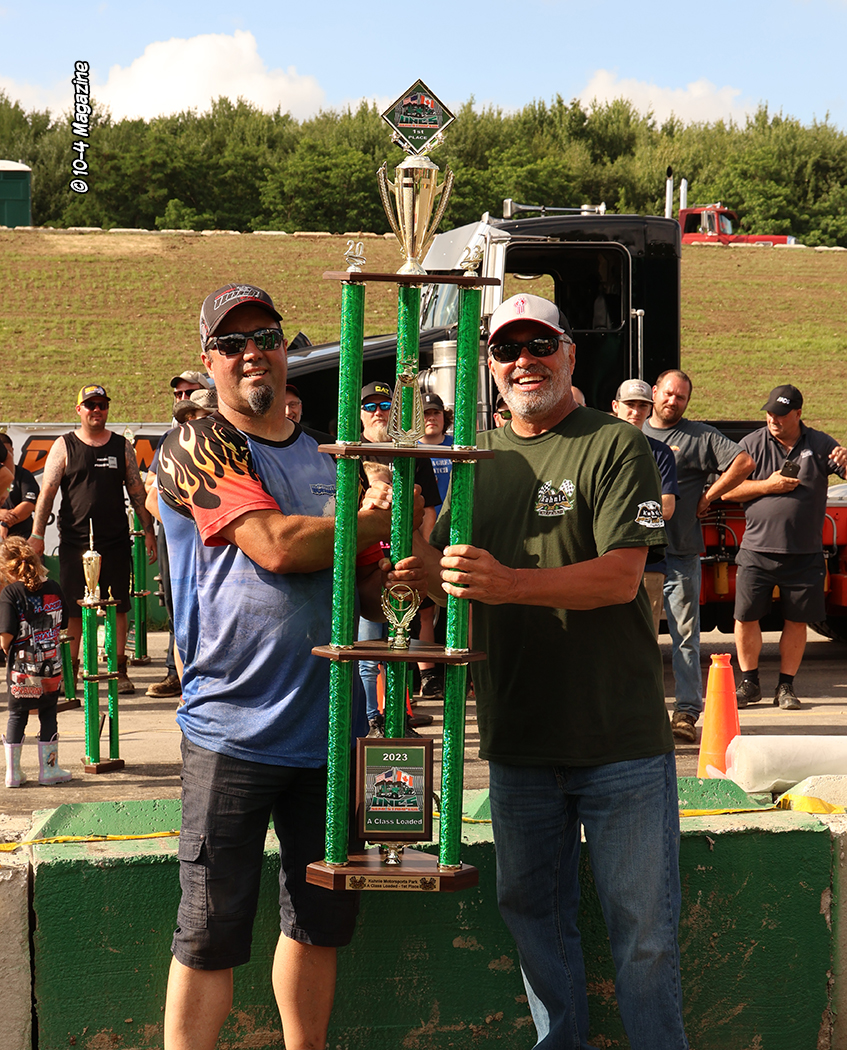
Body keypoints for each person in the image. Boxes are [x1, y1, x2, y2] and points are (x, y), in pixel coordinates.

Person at [157, 282, 423, 1050]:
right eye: (232, 343)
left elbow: (365, 588)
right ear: (208, 359)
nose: (251, 354)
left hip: (331, 729)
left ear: (285, 351)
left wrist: (404, 574)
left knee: (318, 923)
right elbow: (273, 545)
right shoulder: (196, 446)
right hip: (231, 729)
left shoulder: (329, 459)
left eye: (265, 338)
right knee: (208, 932)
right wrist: (375, 519)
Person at [419, 293, 687, 1050]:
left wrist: (508, 584)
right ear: (490, 366)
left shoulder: (616, 444)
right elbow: (450, 578)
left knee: (645, 937)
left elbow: (621, 578)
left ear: (569, 353)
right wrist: (412, 569)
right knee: (535, 923)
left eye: (539, 345)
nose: (524, 361)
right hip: (519, 743)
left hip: (620, 743)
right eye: (507, 349)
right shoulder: (476, 458)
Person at [643, 370, 754, 743]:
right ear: (655, 393)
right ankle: (641, 712)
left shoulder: (698, 436)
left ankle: (686, 714)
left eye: (681, 397)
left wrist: (710, 495)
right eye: (668, 394)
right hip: (639, 554)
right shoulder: (632, 434)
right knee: (636, 637)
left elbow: (744, 462)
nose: (673, 401)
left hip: (680, 554)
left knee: (685, 637)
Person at [722, 385, 847, 710]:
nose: (773, 420)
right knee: (745, 618)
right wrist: (769, 485)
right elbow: (728, 490)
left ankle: (786, 687)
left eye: (780, 414)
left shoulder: (820, 444)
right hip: (757, 550)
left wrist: (846, 459)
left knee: (796, 621)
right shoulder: (752, 444)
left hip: (804, 553)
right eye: (769, 414)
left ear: (798, 414)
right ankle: (749, 683)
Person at [28, 385, 157, 695]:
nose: (97, 409)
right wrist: (36, 534)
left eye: (102, 404)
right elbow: (47, 493)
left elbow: (137, 492)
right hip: (75, 542)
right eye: (90, 405)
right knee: (73, 610)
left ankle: (118, 670)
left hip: (114, 541)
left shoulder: (121, 446)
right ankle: (69, 673)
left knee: (117, 606)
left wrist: (149, 531)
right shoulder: (64, 445)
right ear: (79, 410)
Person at [358, 381, 440, 734]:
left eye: (385, 405)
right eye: (370, 406)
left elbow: (430, 509)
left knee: (401, 643)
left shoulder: (412, 453)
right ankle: (371, 718)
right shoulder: (348, 453)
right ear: (360, 414)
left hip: (406, 560)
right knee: (365, 648)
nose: (378, 412)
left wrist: (422, 554)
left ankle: (397, 717)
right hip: (365, 563)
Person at [0, 537, 72, 787]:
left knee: (17, 716)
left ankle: (13, 774)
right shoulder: (53, 587)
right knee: (48, 713)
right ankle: (49, 771)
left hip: (21, 672)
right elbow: (63, 623)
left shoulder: (10, 593)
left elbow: (6, 638)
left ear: (8, 569)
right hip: (51, 669)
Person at [611, 378, 679, 636]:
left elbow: (667, 508)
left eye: (642, 406)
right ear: (615, 406)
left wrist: (616, 511)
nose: (636, 412)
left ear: (650, 409)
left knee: (645, 638)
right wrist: (643, 507)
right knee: (607, 639)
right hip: (602, 561)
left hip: (648, 563)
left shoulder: (661, 453)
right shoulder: (597, 450)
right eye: (630, 404)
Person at [0, 433, 39, 540]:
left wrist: (5, 523)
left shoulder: (24, 474)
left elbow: (29, 504)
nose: (3, 459)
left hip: (21, 536)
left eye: (6, 453)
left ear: (12, 451)